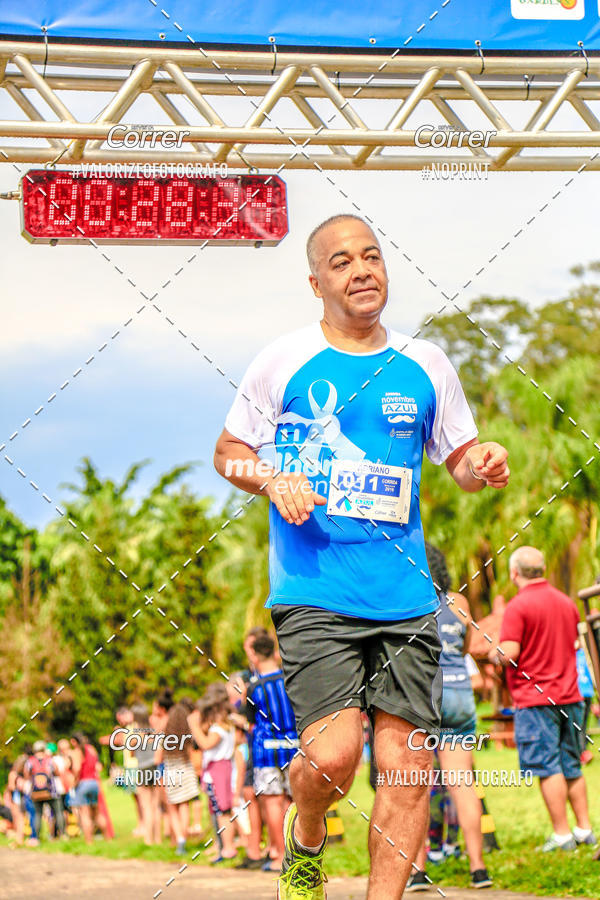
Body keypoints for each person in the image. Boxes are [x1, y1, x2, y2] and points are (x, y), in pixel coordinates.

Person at [214, 213, 510, 899]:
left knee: (407, 771)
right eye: (343, 261)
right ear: (316, 282)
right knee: (332, 756)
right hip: (315, 591)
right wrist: (270, 476)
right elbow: (228, 455)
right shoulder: (281, 361)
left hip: (406, 597)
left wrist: (481, 460)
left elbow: (459, 459)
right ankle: (307, 833)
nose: (362, 270)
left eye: (372, 256)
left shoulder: (425, 364)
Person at [491, 546, 596, 852]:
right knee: (571, 763)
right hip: (571, 696)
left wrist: (492, 653)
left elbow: (509, 652)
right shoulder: (566, 602)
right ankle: (584, 830)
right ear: (542, 569)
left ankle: (562, 836)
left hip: (536, 700)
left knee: (547, 767)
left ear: (514, 573)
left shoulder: (518, 606)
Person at [409, 544, 492, 890]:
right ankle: (478, 869)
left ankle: (417, 871)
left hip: (423, 695)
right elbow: (468, 644)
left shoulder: (408, 599)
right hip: (460, 693)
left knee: (412, 787)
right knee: (463, 785)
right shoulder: (459, 603)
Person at [245, 632, 298, 872]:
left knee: (272, 803)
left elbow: (251, 723)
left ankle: (280, 856)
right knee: (292, 802)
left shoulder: (254, 687)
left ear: (254, 655)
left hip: (266, 752)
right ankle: (298, 854)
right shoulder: (291, 678)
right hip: (294, 747)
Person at [188, 686, 237, 863]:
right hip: (215, 770)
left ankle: (228, 848)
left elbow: (205, 744)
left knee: (223, 810)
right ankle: (222, 846)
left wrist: (194, 726)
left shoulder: (219, 729)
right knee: (217, 810)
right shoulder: (225, 726)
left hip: (219, 769)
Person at [155, 701, 199, 855]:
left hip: (171, 774)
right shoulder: (187, 735)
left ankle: (180, 839)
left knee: (172, 809)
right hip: (187, 772)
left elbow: (157, 759)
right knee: (185, 807)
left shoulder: (165, 737)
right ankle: (184, 840)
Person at [70, 732, 109, 843]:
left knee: (85, 814)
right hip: (94, 783)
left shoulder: (77, 752)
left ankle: (89, 841)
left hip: (83, 783)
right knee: (98, 813)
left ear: (74, 741)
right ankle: (107, 838)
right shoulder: (91, 749)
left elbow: (77, 768)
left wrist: (74, 782)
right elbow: (97, 765)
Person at [25, 740, 65, 840]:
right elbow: (57, 773)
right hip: (51, 791)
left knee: (37, 814)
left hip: (36, 792)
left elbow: (27, 775)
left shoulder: (30, 761)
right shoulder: (50, 760)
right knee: (58, 812)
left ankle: (36, 838)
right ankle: (63, 835)